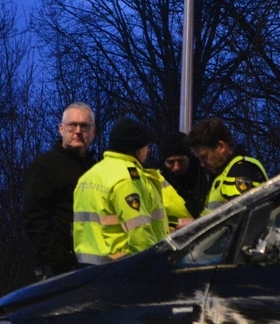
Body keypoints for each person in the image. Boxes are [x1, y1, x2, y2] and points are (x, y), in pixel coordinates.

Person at [72, 118, 168, 265]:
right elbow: (139, 233)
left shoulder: (88, 176)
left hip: (88, 268)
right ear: (136, 149)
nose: (148, 150)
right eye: (145, 146)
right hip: (122, 267)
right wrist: (154, 264)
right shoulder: (128, 179)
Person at [22, 102, 97, 279]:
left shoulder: (96, 169)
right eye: (72, 125)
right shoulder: (45, 166)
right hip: (56, 270)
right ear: (61, 129)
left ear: (93, 131)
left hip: (92, 265)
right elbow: (33, 217)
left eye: (84, 126)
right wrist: (60, 261)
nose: (78, 131)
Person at [186, 118, 268, 208]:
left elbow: (242, 212)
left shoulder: (240, 170)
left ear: (221, 147)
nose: (202, 164)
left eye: (204, 157)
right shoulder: (223, 173)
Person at [157, 131, 209, 230]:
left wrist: (197, 222)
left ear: (190, 158)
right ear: (163, 162)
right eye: (170, 162)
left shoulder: (206, 175)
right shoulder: (156, 181)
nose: (176, 167)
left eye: (181, 161)